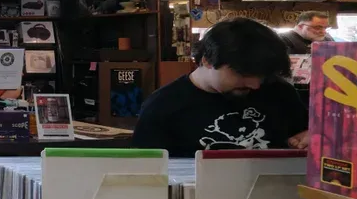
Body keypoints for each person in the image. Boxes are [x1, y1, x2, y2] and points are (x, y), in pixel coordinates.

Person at [132, 18, 308, 157]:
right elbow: (148, 174)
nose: (255, 85)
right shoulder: (163, 106)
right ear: (207, 60)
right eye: (243, 74)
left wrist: (311, 138)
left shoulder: (279, 92)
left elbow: (304, 136)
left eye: (262, 76)